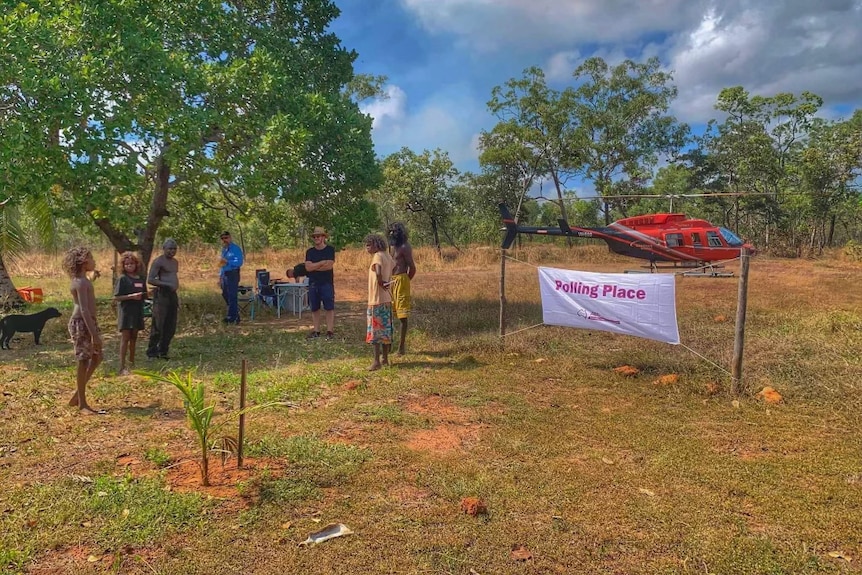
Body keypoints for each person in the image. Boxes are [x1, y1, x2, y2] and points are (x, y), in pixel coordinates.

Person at [63, 247, 104, 415]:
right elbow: (85, 309)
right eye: (91, 258)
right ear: (83, 262)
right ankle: (82, 404)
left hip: (88, 322)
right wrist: (94, 335)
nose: (94, 261)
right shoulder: (79, 282)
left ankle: (76, 396)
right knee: (84, 361)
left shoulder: (84, 280)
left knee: (97, 357)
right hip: (82, 323)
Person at [112, 251, 146, 375]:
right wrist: (131, 296)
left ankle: (132, 362)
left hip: (137, 311)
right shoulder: (122, 279)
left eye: (132, 263)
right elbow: (117, 297)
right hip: (126, 312)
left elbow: (144, 294)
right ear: (123, 265)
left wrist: (147, 295)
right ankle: (121, 366)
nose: (129, 266)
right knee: (125, 337)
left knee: (134, 337)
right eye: (126, 264)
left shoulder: (141, 279)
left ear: (137, 264)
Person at [364, 234, 394, 370]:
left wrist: (381, 281)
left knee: (376, 331)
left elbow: (377, 270)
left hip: (376, 299)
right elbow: (393, 268)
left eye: (369, 245)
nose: (367, 248)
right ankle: (386, 359)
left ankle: (376, 361)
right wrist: (387, 282)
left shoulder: (377, 256)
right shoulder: (387, 256)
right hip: (386, 298)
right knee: (386, 330)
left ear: (376, 245)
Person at [147, 238, 179, 360]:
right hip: (162, 295)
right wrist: (166, 284)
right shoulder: (158, 261)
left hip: (172, 295)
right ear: (164, 249)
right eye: (170, 248)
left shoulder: (175, 262)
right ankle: (152, 351)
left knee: (170, 325)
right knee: (158, 324)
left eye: (174, 249)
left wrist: (173, 286)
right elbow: (150, 279)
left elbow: (172, 276)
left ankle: (163, 351)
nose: (172, 251)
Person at [387, 222, 417, 355]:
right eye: (390, 231)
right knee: (389, 314)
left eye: (395, 231)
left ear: (400, 232)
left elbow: (412, 268)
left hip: (402, 280)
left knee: (402, 316)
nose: (392, 234)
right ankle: (388, 345)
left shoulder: (405, 247)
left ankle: (401, 347)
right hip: (391, 281)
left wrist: (405, 281)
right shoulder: (392, 247)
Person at [304, 226, 336, 340]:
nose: (316, 238)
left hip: (326, 282)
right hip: (313, 283)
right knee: (315, 308)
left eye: (318, 236)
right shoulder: (310, 252)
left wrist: (314, 266)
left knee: (329, 307)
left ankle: (330, 331)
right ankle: (316, 330)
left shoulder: (330, 250)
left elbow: (329, 266)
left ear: (323, 237)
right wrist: (321, 263)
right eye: (315, 236)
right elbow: (307, 267)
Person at [218, 231, 244, 325]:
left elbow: (239, 262)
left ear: (230, 237)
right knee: (225, 294)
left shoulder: (235, 249)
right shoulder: (224, 250)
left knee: (232, 295)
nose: (225, 240)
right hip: (225, 273)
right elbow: (221, 264)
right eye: (222, 238)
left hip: (233, 273)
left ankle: (232, 317)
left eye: (226, 238)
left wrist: (228, 261)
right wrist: (220, 276)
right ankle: (234, 314)